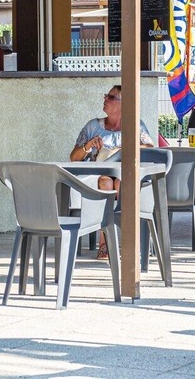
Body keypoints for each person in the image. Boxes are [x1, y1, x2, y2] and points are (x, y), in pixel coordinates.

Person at [69, 84, 153, 259]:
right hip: (98, 177)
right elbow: (74, 157)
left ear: (125, 104)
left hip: (125, 175)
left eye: (111, 97)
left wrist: (121, 150)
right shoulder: (93, 126)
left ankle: (129, 242)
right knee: (106, 181)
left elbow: (149, 147)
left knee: (121, 182)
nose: (105, 99)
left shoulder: (135, 125)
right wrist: (88, 145)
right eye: (106, 95)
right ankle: (105, 243)